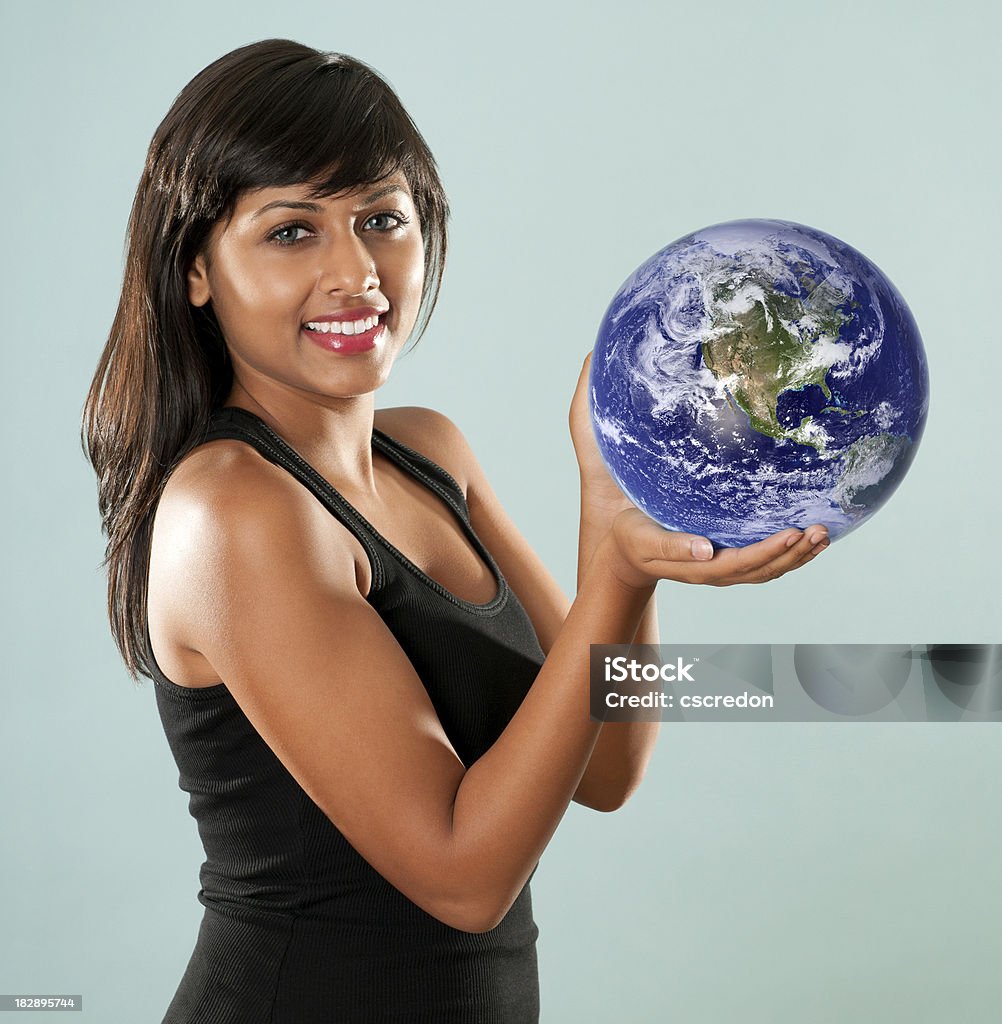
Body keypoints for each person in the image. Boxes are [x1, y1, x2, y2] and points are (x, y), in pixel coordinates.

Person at [82, 38, 829, 1023]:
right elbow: (463, 878)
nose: (355, 271)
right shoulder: (232, 506)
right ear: (196, 271)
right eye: (291, 232)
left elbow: (608, 767)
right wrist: (608, 575)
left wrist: (623, 550)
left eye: (381, 219)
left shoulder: (430, 453)